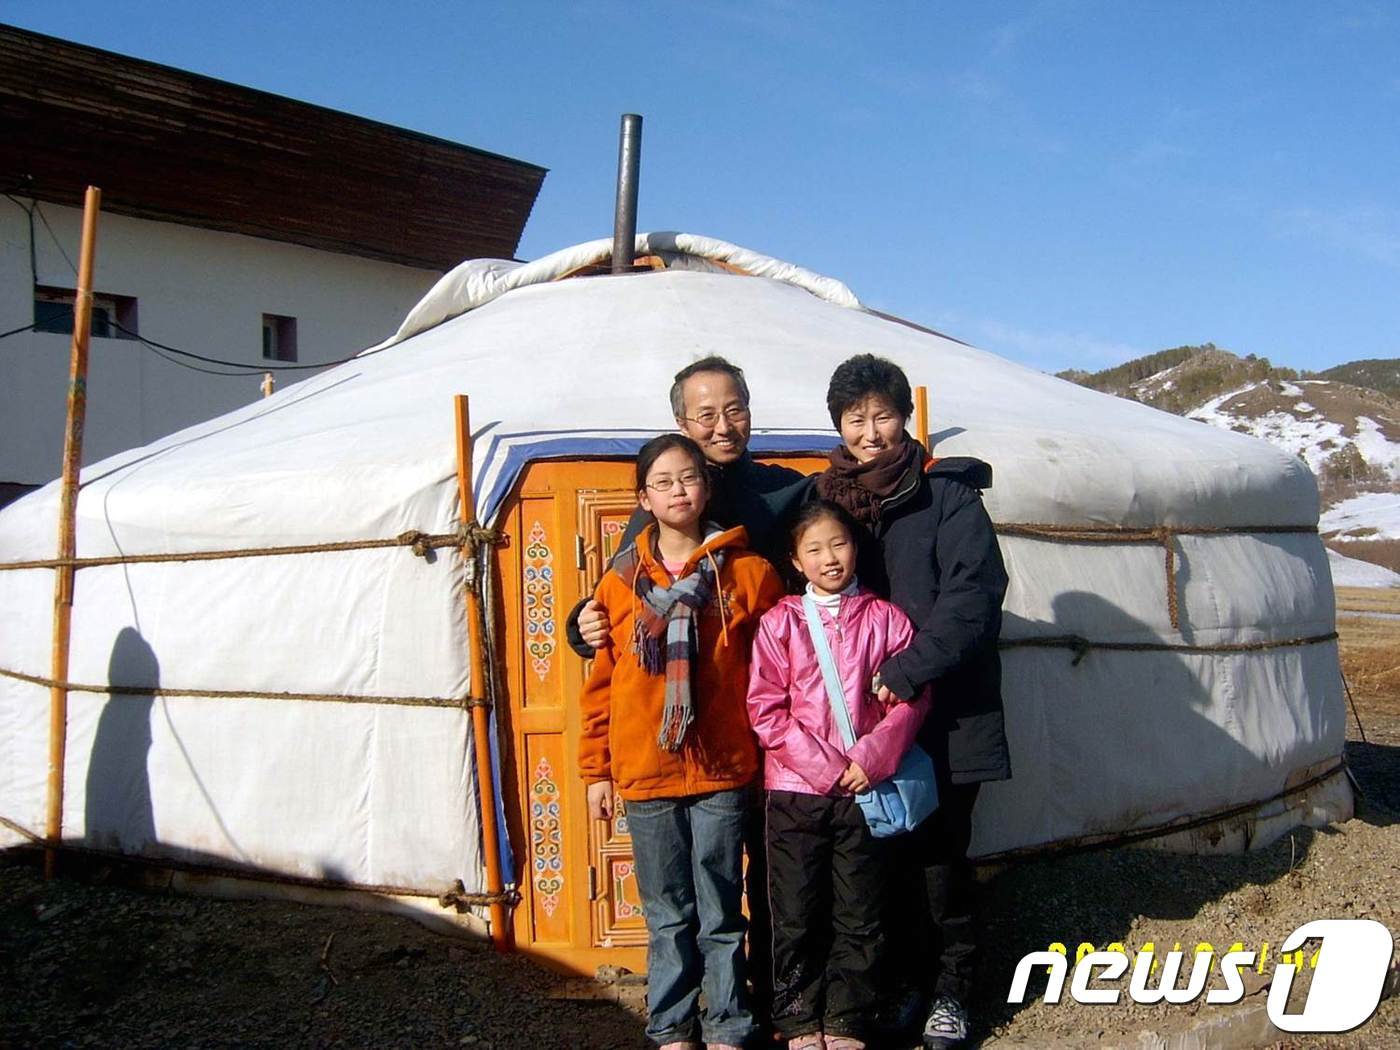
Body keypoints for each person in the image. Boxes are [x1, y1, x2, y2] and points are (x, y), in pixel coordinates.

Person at [567, 355, 812, 1027]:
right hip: (658, 758)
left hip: (748, 745)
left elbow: (803, 615)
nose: (722, 422)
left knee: (751, 890)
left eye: (734, 408)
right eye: (705, 413)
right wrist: (575, 625)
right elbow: (608, 627)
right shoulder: (639, 548)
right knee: (675, 902)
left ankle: (763, 1015)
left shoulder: (786, 498)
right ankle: (678, 1022)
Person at [815, 354, 1009, 1050]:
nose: (870, 431)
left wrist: (908, 669)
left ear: (906, 418)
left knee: (941, 862)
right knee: (879, 863)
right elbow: (712, 515)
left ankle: (950, 994)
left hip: (948, 714)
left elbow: (974, 597)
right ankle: (904, 985)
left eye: (882, 415)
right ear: (839, 425)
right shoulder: (828, 499)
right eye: (855, 418)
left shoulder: (948, 498)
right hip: (862, 725)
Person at [746, 500, 931, 1050]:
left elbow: (912, 700)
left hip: (866, 786)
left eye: (839, 544)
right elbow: (765, 708)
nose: (830, 558)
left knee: (861, 908)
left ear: (856, 548)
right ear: (796, 561)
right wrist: (828, 767)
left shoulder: (888, 619)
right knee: (795, 909)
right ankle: (800, 1018)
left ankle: (849, 1017)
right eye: (814, 549)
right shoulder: (779, 624)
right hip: (796, 790)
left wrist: (870, 759)